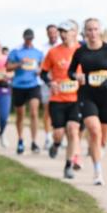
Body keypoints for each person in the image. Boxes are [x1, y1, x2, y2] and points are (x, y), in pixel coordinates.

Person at [69, 18, 107, 185]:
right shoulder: (80, 52)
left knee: (102, 137)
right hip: (87, 95)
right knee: (94, 130)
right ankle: (97, 172)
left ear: (100, 31)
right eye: (89, 30)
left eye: (95, 29)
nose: (93, 33)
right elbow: (71, 72)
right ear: (85, 32)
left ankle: (98, 147)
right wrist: (76, 76)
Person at [41, 20, 82, 179]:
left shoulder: (82, 50)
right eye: (61, 32)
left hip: (76, 98)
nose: (63, 35)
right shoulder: (53, 52)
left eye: (66, 31)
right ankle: (56, 144)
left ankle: (68, 165)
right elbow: (43, 72)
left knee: (72, 129)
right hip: (57, 98)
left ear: (74, 32)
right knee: (58, 133)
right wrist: (50, 82)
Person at [6, 29, 44, 154]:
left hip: (33, 85)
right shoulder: (16, 51)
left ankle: (34, 142)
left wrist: (39, 70)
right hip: (18, 86)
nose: (29, 40)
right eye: (27, 38)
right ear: (23, 38)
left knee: (34, 112)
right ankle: (20, 140)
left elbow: (43, 67)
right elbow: (7, 67)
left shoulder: (38, 52)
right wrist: (19, 64)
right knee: (20, 115)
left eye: (31, 38)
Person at [42, 24, 60, 150]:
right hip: (47, 83)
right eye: (50, 33)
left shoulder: (63, 46)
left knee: (61, 111)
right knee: (48, 110)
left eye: (55, 32)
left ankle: (59, 136)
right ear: (47, 34)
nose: (53, 35)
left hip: (62, 84)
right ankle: (48, 137)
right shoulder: (43, 48)